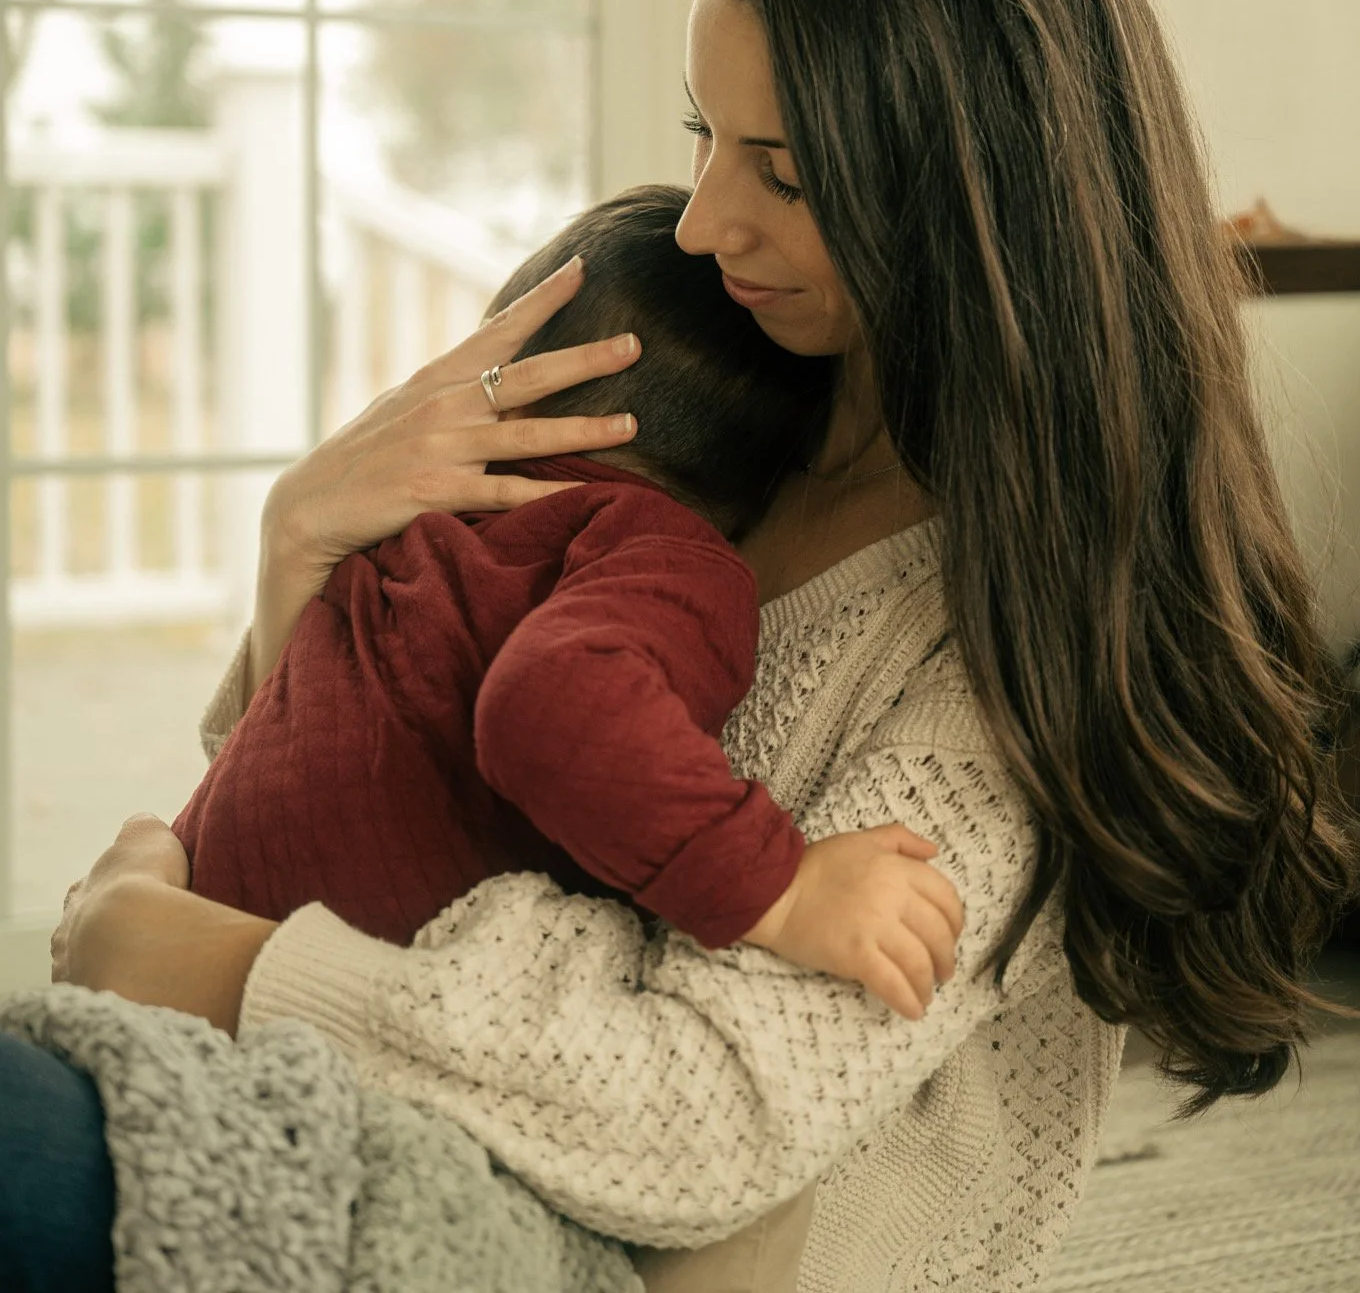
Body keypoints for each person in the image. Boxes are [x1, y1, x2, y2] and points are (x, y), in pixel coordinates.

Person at [22, 0, 1358, 1293]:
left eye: (782, 173)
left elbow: (697, 1121)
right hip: (423, 1128)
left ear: (976, 194)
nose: (708, 220)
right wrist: (299, 555)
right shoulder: (710, 428)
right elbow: (365, 790)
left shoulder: (1012, 651)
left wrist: (192, 962)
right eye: (700, 137)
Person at [174, 184, 961, 1017]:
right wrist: (782, 888)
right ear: (770, 473)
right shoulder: (663, 554)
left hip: (195, 931)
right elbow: (557, 702)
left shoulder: (411, 532)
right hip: (333, 1018)